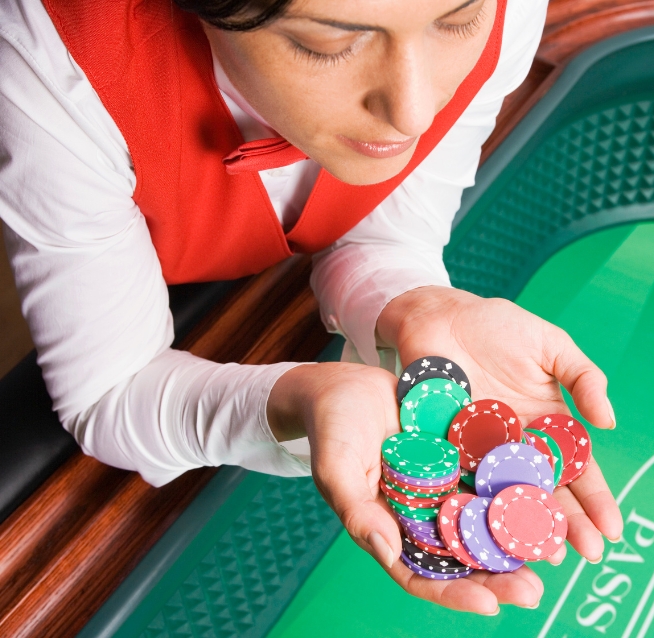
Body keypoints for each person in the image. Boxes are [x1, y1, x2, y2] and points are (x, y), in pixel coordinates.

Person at [0, 0, 622, 615]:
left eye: (455, 20)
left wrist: (415, 304)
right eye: (328, 42)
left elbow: (382, 232)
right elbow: (111, 388)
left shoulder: (507, 12)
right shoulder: (45, 66)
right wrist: (294, 399)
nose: (413, 109)